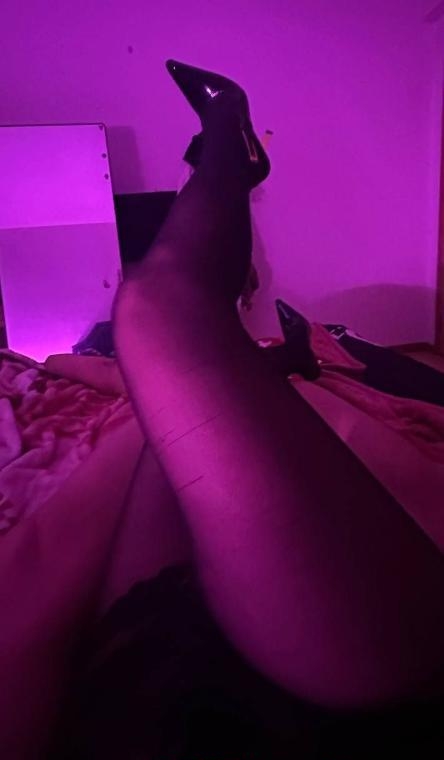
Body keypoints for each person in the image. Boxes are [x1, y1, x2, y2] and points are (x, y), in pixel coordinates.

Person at [14, 60, 444, 758]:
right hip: (353, 692)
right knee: (159, 310)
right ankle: (227, 138)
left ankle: (263, 352)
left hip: (136, 680)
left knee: (165, 429)